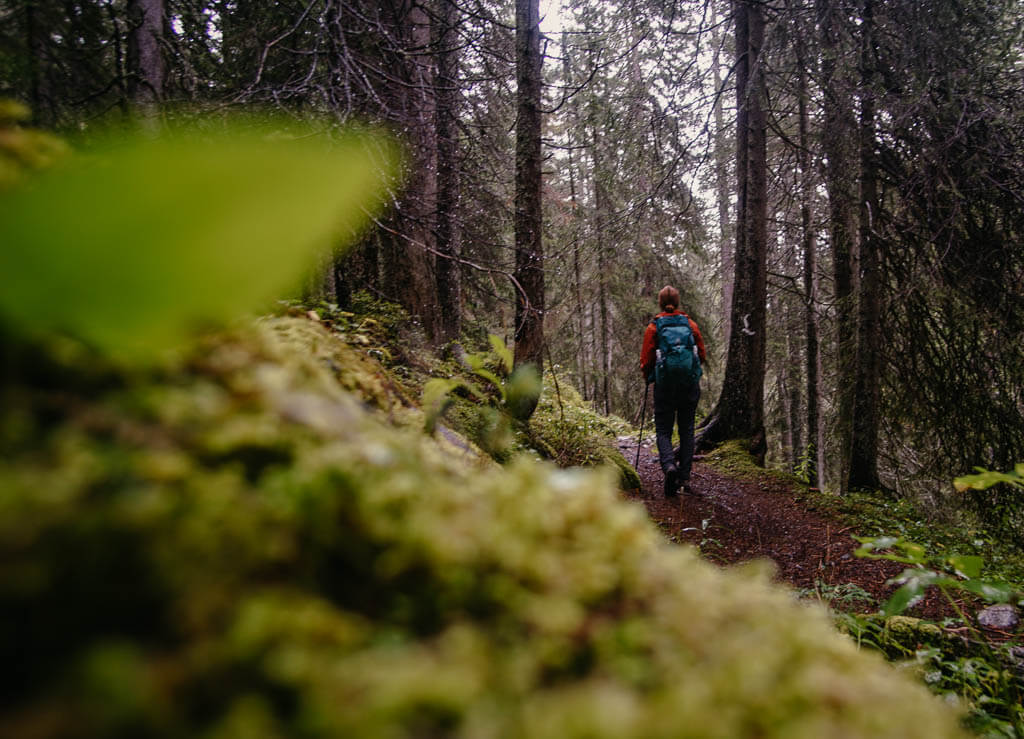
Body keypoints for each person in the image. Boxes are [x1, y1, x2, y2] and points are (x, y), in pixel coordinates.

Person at [640, 285, 706, 497]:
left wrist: (648, 376)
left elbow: (647, 359)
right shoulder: (690, 324)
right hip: (689, 385)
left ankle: (669, 466)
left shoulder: (654, 327)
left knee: (663, 429)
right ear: (677, 303)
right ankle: (684, 477)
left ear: (660, 303)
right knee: (687, 430)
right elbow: (701, 354)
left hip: (665, 385)